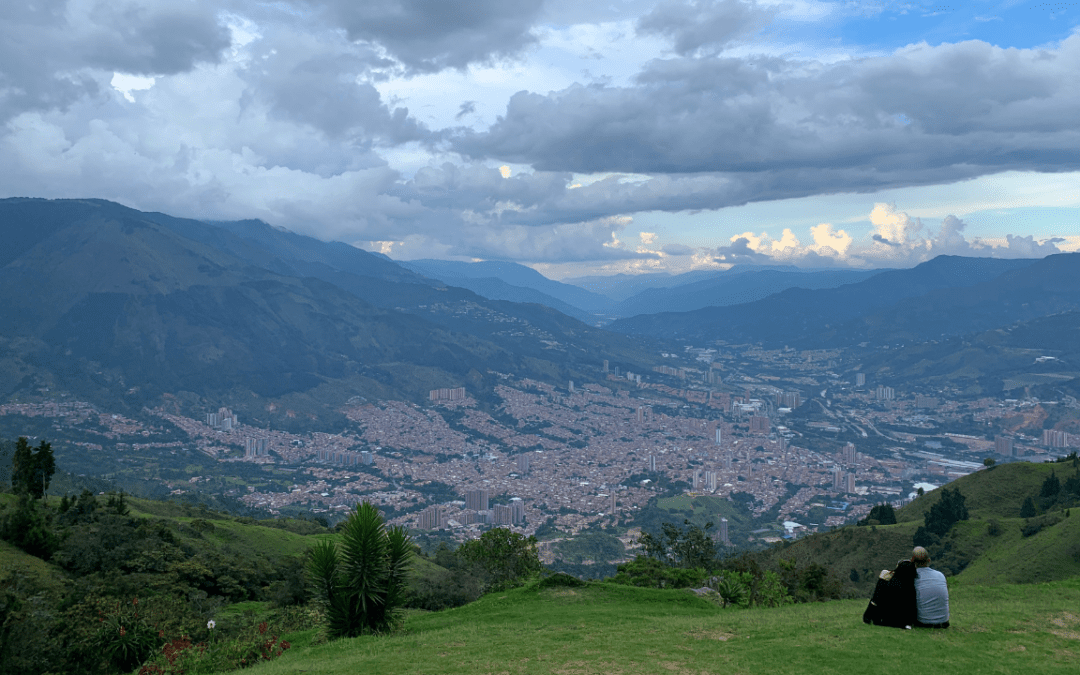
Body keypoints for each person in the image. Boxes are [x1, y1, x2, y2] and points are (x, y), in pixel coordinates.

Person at [862, 559, 917, 628]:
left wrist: (882, 580)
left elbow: (876, 599)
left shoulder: (889, 584)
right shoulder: (911, 587)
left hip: (884, 620)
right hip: (904, 621)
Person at [911, 546, 950, 628]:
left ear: (912, 561)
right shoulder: (940, 575)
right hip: (943, 622)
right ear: (929, 560)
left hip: (923, 622)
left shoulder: (912, 577)